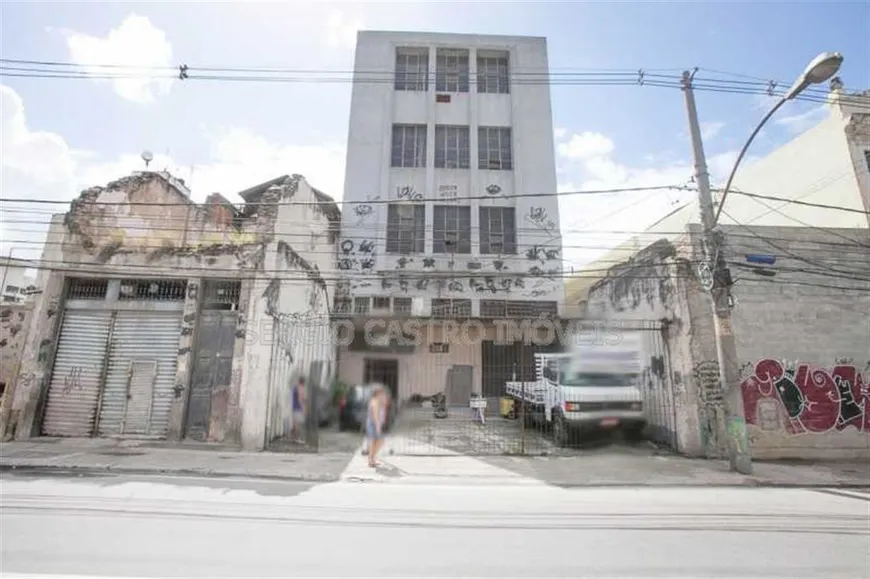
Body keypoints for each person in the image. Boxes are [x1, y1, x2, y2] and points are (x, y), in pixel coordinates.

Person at [365, 385, 388, 467]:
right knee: (379, 441)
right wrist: (378, 427)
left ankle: (372, 459)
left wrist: (384, 401)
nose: (383, 394)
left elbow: (383, 408)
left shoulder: (377, 401)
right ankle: (371, 459)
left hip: (374, 424)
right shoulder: (375, 402)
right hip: (374, 424)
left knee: (375, 442)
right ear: (377, 393)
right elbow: (375, 415)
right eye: (382, 393)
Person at [290, 376, 306, 444]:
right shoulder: (300, 388)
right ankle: (297, 439)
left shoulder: (295, 388)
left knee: (295, 424)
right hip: (298, 408)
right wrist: (303, 409)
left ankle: (293, 437)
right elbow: (300, 399)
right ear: (303, 382)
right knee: (298, 424)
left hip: (294, 407)